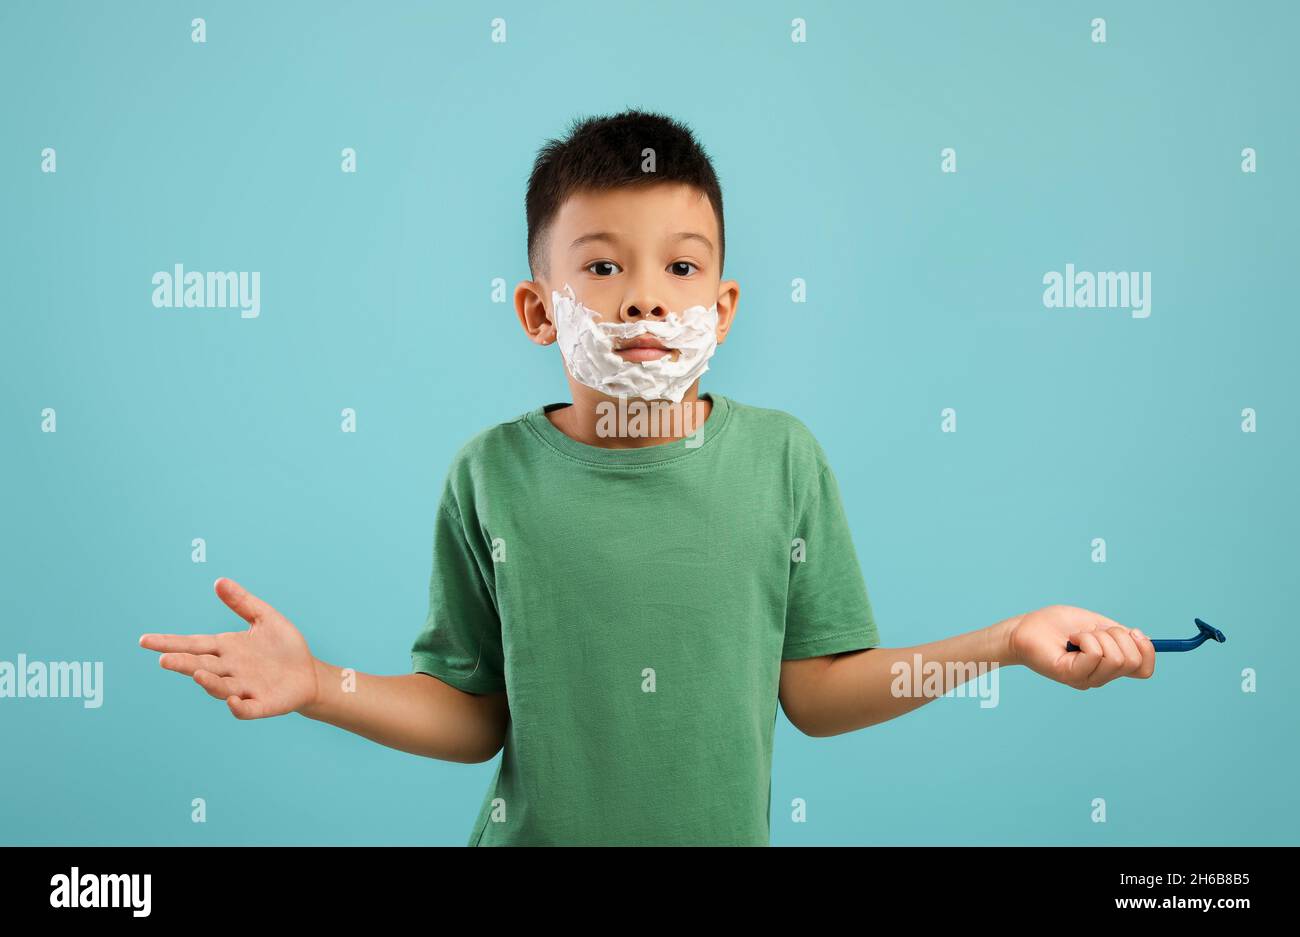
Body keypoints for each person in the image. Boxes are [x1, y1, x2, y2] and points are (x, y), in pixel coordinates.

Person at [139, 109, 1155, 846]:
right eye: (602, 267)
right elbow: (475, 712)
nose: (643, 303)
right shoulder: (489, 474)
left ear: (724, 303)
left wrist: (1006, 643)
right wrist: (321, 685)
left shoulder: (783, 458)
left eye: (680, 268)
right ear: (539, 311)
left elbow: (817, 693)